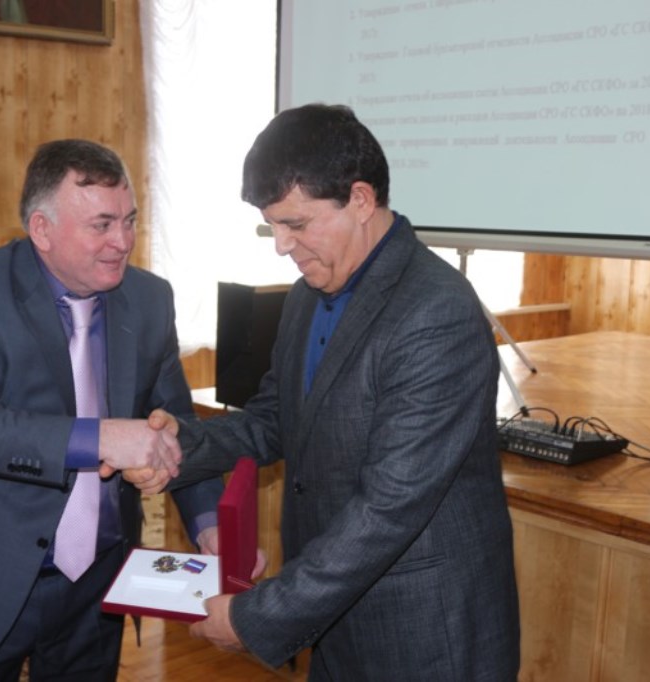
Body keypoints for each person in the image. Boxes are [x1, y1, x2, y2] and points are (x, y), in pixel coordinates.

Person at [140, 104, 521, 680]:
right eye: (273, 226)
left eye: (296, 224)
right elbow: (276, 418)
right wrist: (176, 447)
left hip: (424, 633)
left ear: (361, 200)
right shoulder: (307, 295)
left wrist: (258, 617)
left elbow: (389, 507)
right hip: (335, 620)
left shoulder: (435, 311)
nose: (281, 245)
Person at [0, 139, 224, 681]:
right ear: (41, 229)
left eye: (130, 221)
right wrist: (102, 438)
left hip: (97, 581)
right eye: (102, 225)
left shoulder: (150, 298)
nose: (122, 242)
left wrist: (209, 523)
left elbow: (174, 422)